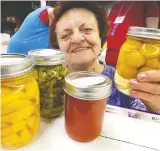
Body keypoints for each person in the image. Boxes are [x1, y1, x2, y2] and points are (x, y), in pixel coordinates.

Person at [49, 1, 160, 114]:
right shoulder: (47, 83)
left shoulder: (123, 82)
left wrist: (155, 105)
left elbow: (148, 118)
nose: (77, 39)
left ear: (100, 35)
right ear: (58, 45)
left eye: (87, 29)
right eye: (65, 35)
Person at [105, 1, 159, 67]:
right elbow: (109, 28)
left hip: (131, 61)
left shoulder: (149, 2)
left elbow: (151, 37)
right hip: (110, 57)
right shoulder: (117, 4)